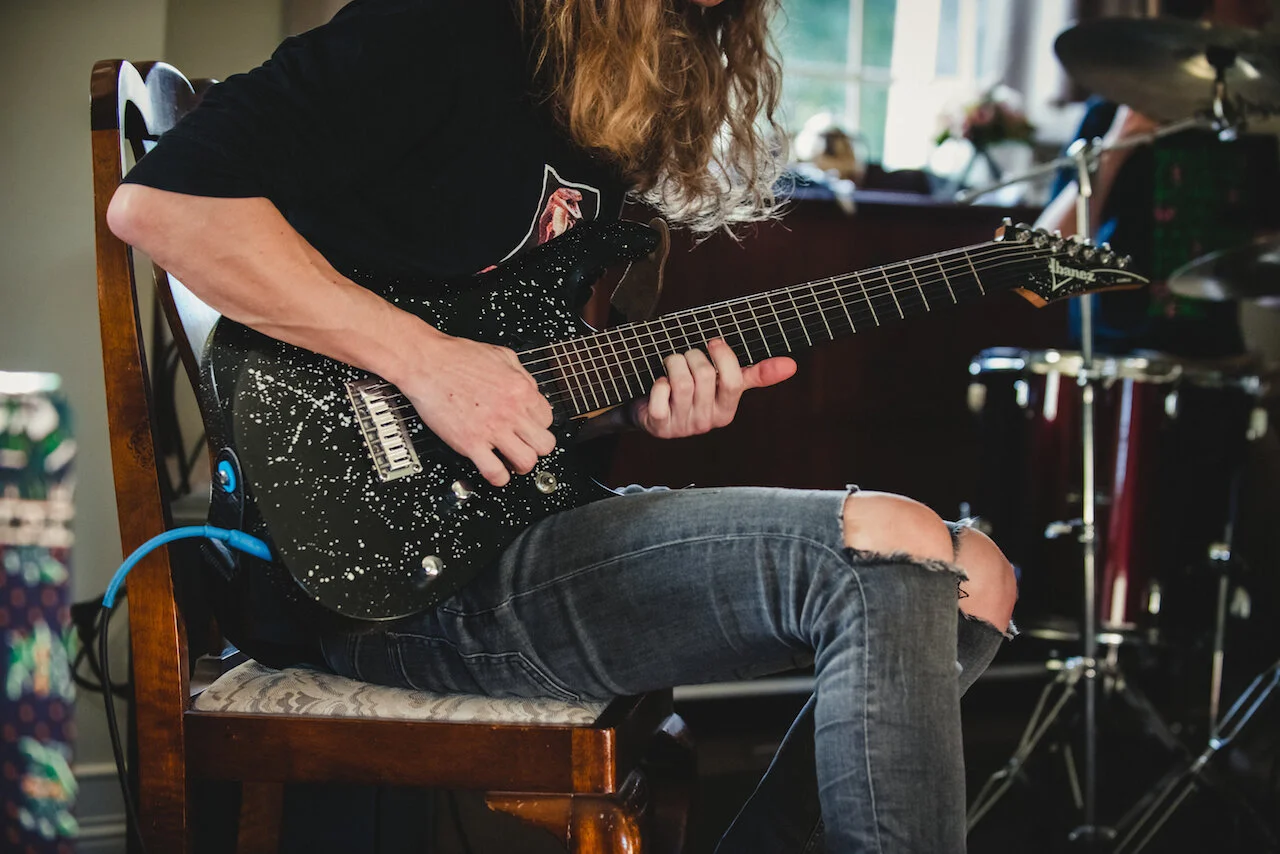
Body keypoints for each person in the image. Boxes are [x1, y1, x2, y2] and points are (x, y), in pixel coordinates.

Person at [106, 0, 1018, 850]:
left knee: (979, 578)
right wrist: (425, 362)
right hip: (386, 578)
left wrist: (639, 403)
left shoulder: (617, 94)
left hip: (523, 519)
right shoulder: (444, 25)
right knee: (891, 543)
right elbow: (160, 207)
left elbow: (516, 365)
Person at [1036, 0, 1276, 359]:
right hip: (1116, 357)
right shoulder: (1112, 111)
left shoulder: (1252, 128)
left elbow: (1267, 260)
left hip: (1217, 361)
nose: (1266, 11)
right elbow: (1042, 257)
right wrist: (1118, 143)